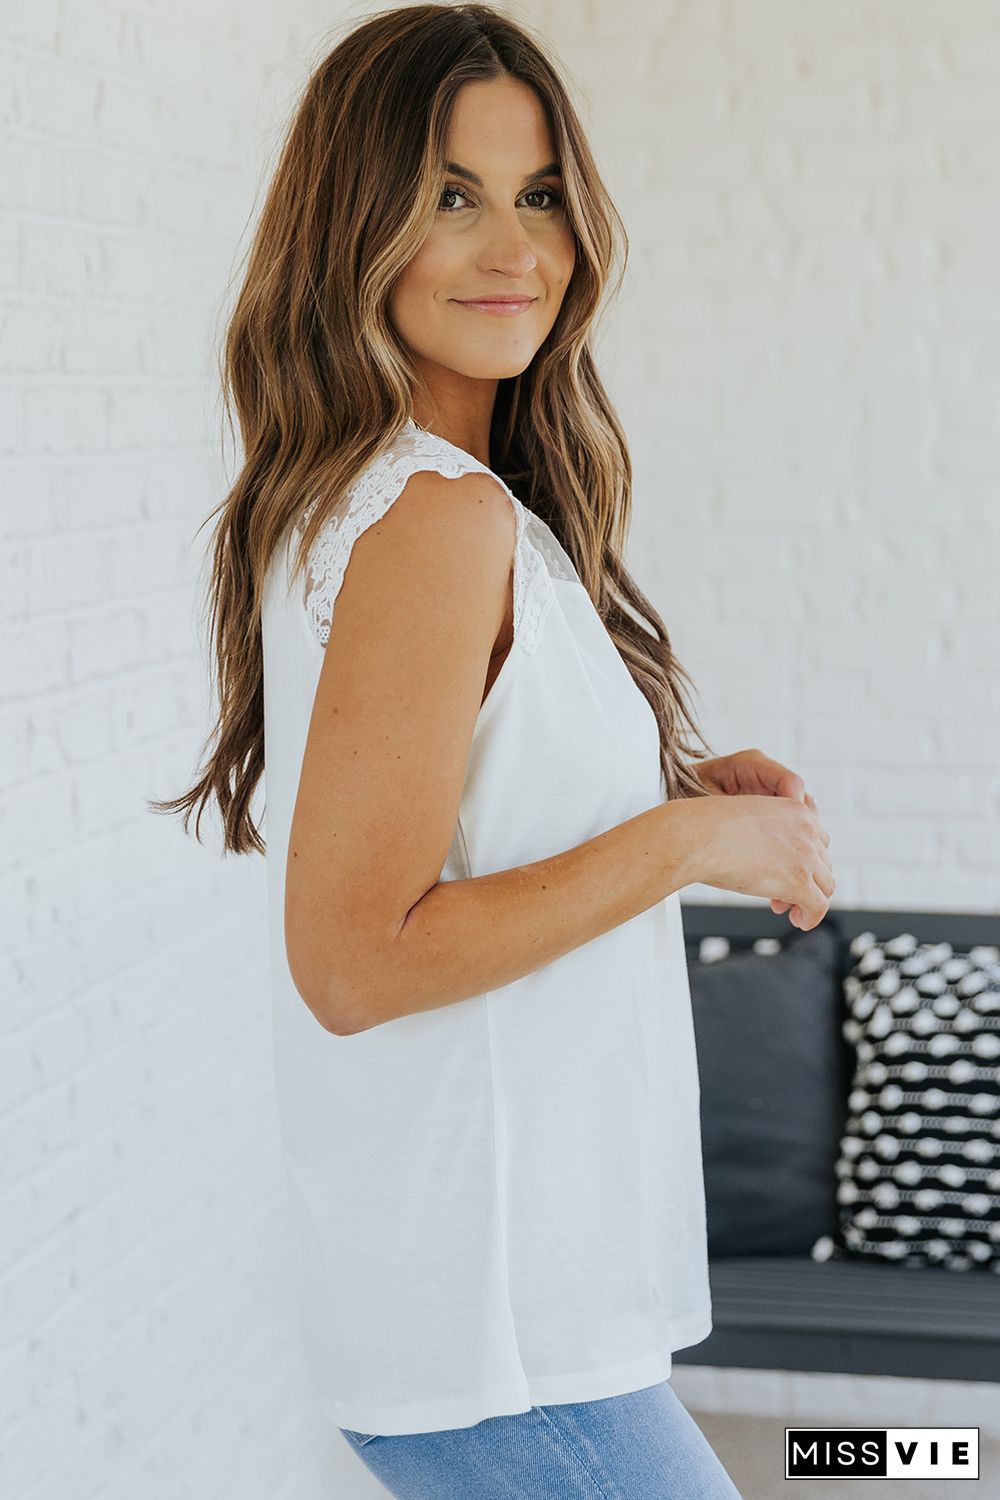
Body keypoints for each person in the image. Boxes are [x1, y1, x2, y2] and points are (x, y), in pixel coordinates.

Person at [149, 4, 834, 1495]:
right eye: (450, 195)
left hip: (506, 1311)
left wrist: (659, 792)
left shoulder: (408, 497)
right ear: (356, 221)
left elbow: (456, 824)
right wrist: (688, 844)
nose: (513, 246)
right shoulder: (433, 521)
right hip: (501, 1329)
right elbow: (356, 958)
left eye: (537, 196)